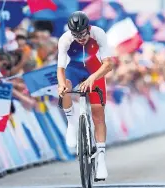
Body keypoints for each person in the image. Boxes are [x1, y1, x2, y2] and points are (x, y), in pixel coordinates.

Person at [57, 11, 113, 180]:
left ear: (88, 29)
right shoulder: (65, 39)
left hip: (95, 70)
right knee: (65, 87)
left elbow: (108, 64)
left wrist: (92, 78)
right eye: (76, 35)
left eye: (82, 34)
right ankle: (72, 123)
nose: (80, 38)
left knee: (98, 114)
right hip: (74, 69)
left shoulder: (98, 34)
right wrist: (61, 85)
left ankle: (101, 160)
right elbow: (60, 68)